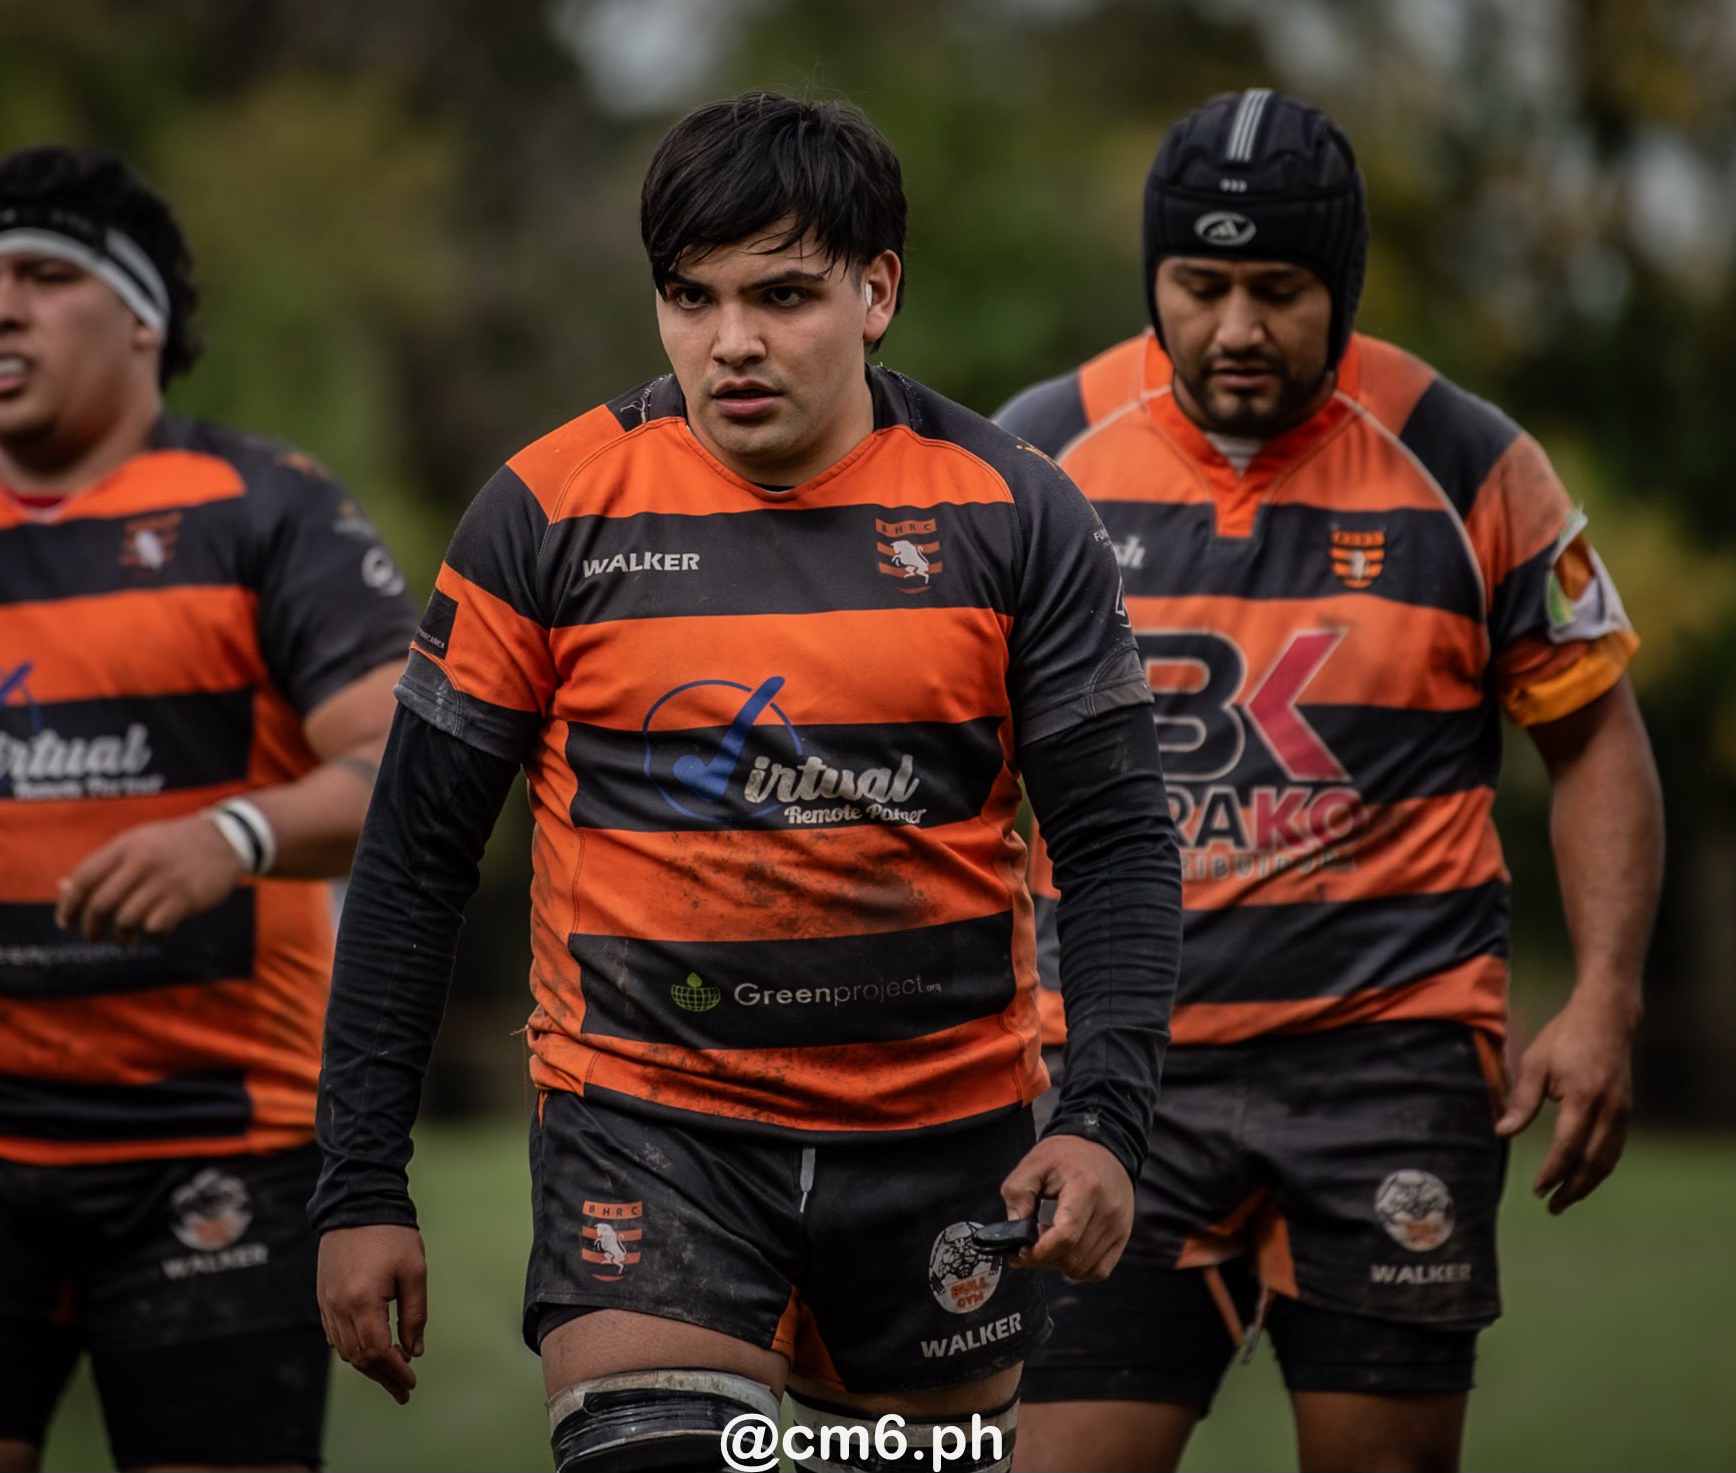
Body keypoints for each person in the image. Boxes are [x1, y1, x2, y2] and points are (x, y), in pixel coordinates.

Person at [311, 91, 1182, 1473]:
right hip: (648, 1134)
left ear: (876, 289)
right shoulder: (545, 512)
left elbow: (1122, 845)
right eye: (690, 297)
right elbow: (415, 862)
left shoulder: (1017, 513)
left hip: (943, 1149)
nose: (731, 343)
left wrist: (1102, 1120)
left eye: (781, 294)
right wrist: (357, 1184)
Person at [997, 89, 1664, 1473]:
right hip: (1112, 1062)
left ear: (1340, 285)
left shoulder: (1471, 462)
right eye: (1200, 285)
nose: (1236, 327)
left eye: (1278, 289)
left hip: (1388, 1058)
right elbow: (946, 752)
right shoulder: (1036, 458)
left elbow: (1593, 734)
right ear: (1152, 282)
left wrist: (1602, 991)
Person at [0, 145, 417, 1472]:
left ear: (141, 320)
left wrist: (232, 834)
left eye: (45, 277)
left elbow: (413, 774)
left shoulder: (261, 507)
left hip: (221, 1150)